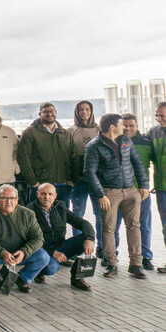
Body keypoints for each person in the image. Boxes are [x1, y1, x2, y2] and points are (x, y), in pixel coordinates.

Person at [84, 113, 149, 279]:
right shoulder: (94, 146)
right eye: (122, 125)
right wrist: (100, 195)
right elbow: (89, 172)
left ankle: (136, 264)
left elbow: (138, 164)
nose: (125, 127)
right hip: (109, 192)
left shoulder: (127, 141)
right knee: (108, 228)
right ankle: (112, 264)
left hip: (130, 190)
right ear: (112, 127)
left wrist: (143, 185)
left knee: (134, 226)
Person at [0, 184, 48, 293]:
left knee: (43, 256)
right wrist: (2, 253)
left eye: (12, 198)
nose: (8, 201)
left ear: (17, 199)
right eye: (4, 198)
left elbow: (38, 238)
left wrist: (24, 252)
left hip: (19, 254)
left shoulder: (28, 214)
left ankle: (23, 280)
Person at [26, 183, 95, 290]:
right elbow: (28, 240)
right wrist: (52, 252)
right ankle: (38, 269)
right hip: (42, 250)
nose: (47, 197)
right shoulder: (29, 212)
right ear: (37, 194)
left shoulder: (60, 207)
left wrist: (90, 238)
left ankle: (77, 278)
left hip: (61, 246)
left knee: (84, 240)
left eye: (50, 194)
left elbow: (83, 223)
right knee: (52, 268)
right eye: (43, 194)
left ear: (55, 196)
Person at [16, 102, 77, 204]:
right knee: (38, 217)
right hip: (41, 185)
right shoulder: (30, 132)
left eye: (52, 111)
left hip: (63, 184)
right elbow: (23, 157)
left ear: (56, 112)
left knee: (61, 216)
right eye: (45, 112)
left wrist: (73, 180)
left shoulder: (65, 134)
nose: (49, 114)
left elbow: (74, 157)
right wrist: (33, 182)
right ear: (40, 114)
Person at [116, 113, 154, 270]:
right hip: (118, 191)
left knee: (143, 226)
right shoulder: (113, 142)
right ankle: (111, 257)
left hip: (141, 192)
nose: (128, 128)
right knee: (114, 226)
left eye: (131, 125)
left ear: (137, 127)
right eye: (124, 125)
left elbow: (156, 163)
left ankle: (145, 256)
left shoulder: (146, 143)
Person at [67, 101, 102, 251]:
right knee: (78, 214)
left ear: (91, 111)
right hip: (79, 180)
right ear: (77, 112)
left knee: (100, 214)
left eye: (87, 109)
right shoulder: (70, 131)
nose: (84, 112)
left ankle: (101, 247)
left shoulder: (99, 129)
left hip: (96, 179)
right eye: (81, 109)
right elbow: (68, 156)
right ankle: (78, 247)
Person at [145, 102, 166, 271]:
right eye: (157, 116)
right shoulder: (153, 132)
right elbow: (145, 153)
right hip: (162, 187)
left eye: (162, 116)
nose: (159, 119)